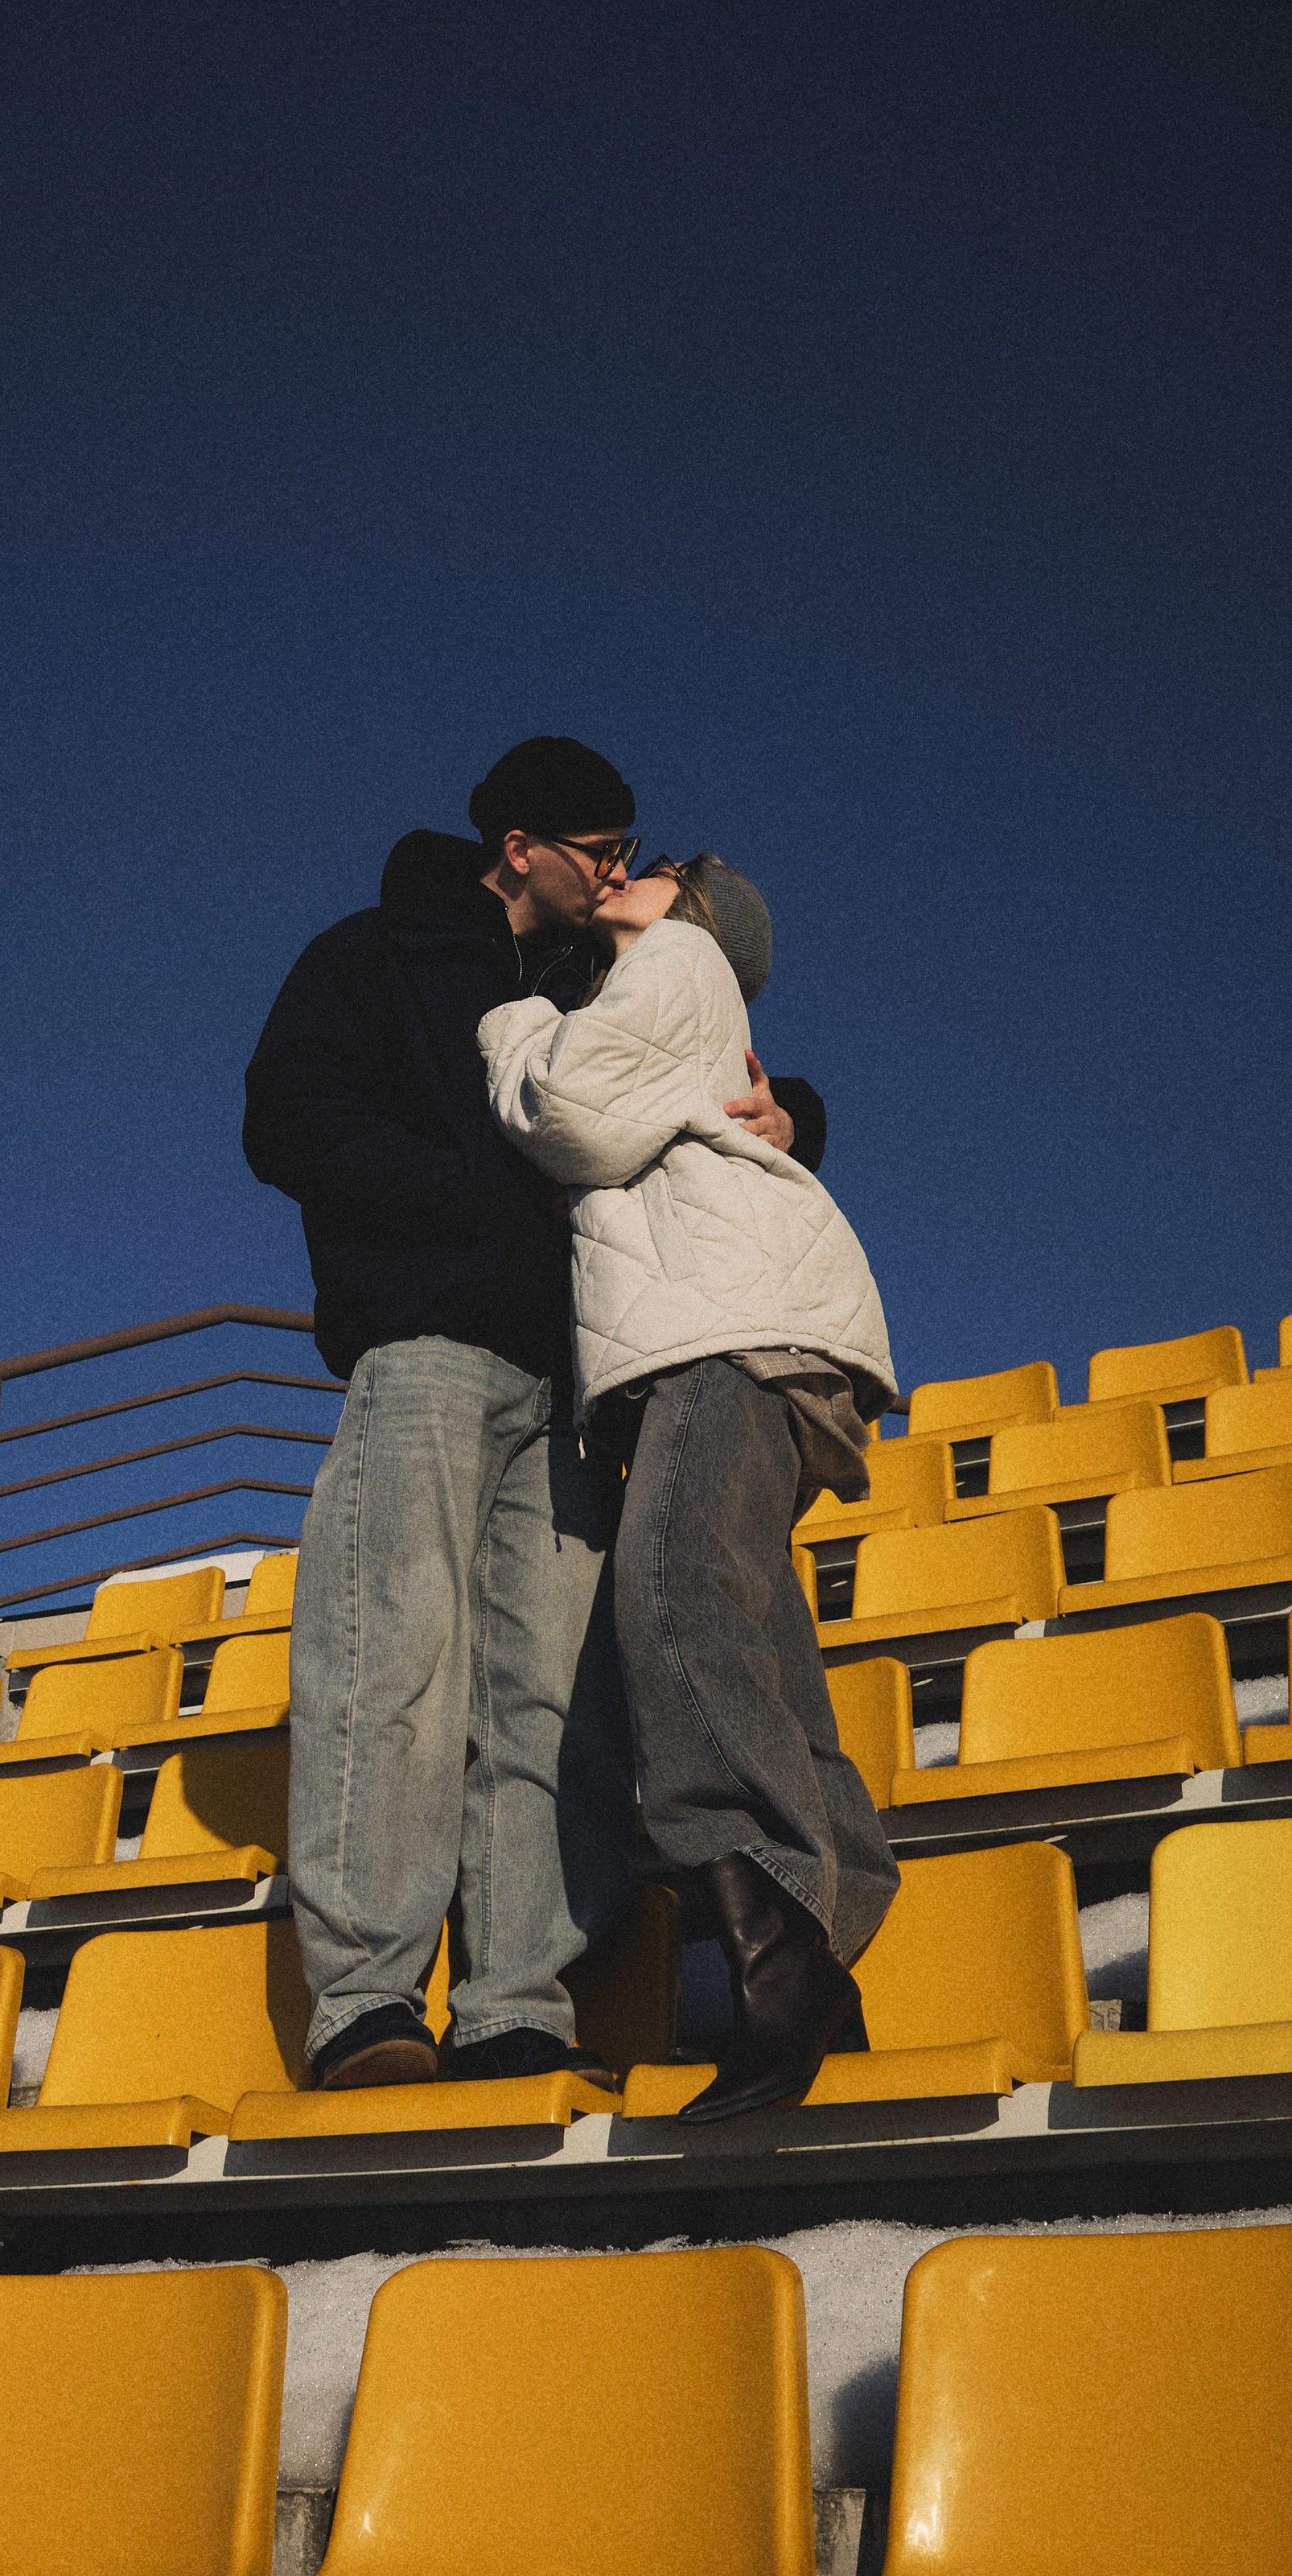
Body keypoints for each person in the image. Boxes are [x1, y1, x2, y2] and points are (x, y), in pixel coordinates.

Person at [242, 737, 829, 2089]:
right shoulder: (372, 956)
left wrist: (790, 1108)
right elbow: (289, 1117)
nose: (621, 872)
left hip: (579, 1378)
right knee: (389, 1659)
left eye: (630, 852)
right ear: (521, 848)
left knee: (551, 1700)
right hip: (428, 1344)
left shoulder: (602, 975)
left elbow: (705, 1074)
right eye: (600, 851)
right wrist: (470, 1209)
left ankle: (517, 1999)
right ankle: (368, 2005)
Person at [480, 849, 900, 2120]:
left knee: (669, 1599)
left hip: (727, 1339)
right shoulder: (668, 997)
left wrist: (510, 1022)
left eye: (663, 871)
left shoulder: (679, 960)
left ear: (707, 915)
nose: (631, 870)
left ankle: (779, 1956)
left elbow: (566, 1121)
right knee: (752, 1636)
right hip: (725, 1339)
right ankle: (826, 1954)